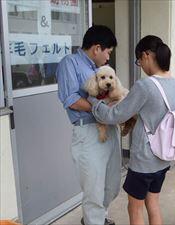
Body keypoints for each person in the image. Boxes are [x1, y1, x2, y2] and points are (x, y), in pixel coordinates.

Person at [88, 35, 175, 225]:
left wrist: (94, 103)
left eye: (139, 60)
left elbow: (115, 115)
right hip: (163, 158)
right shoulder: (173, 83)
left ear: (146, 55)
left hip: (144, 160)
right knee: (153, 203)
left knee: (134, 207)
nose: (141, 65)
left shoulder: (144, 86)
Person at [56, 25, 119, 225]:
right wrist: (100, 109)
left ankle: (98, 217)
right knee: (93, 189)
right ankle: (94, 220)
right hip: (89, 132)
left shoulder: (100, 70)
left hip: (109, 128)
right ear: (97, 48)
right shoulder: (70, 63)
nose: (109, 57)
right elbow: (71, 99)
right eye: (108, 52)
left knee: (112, 184)